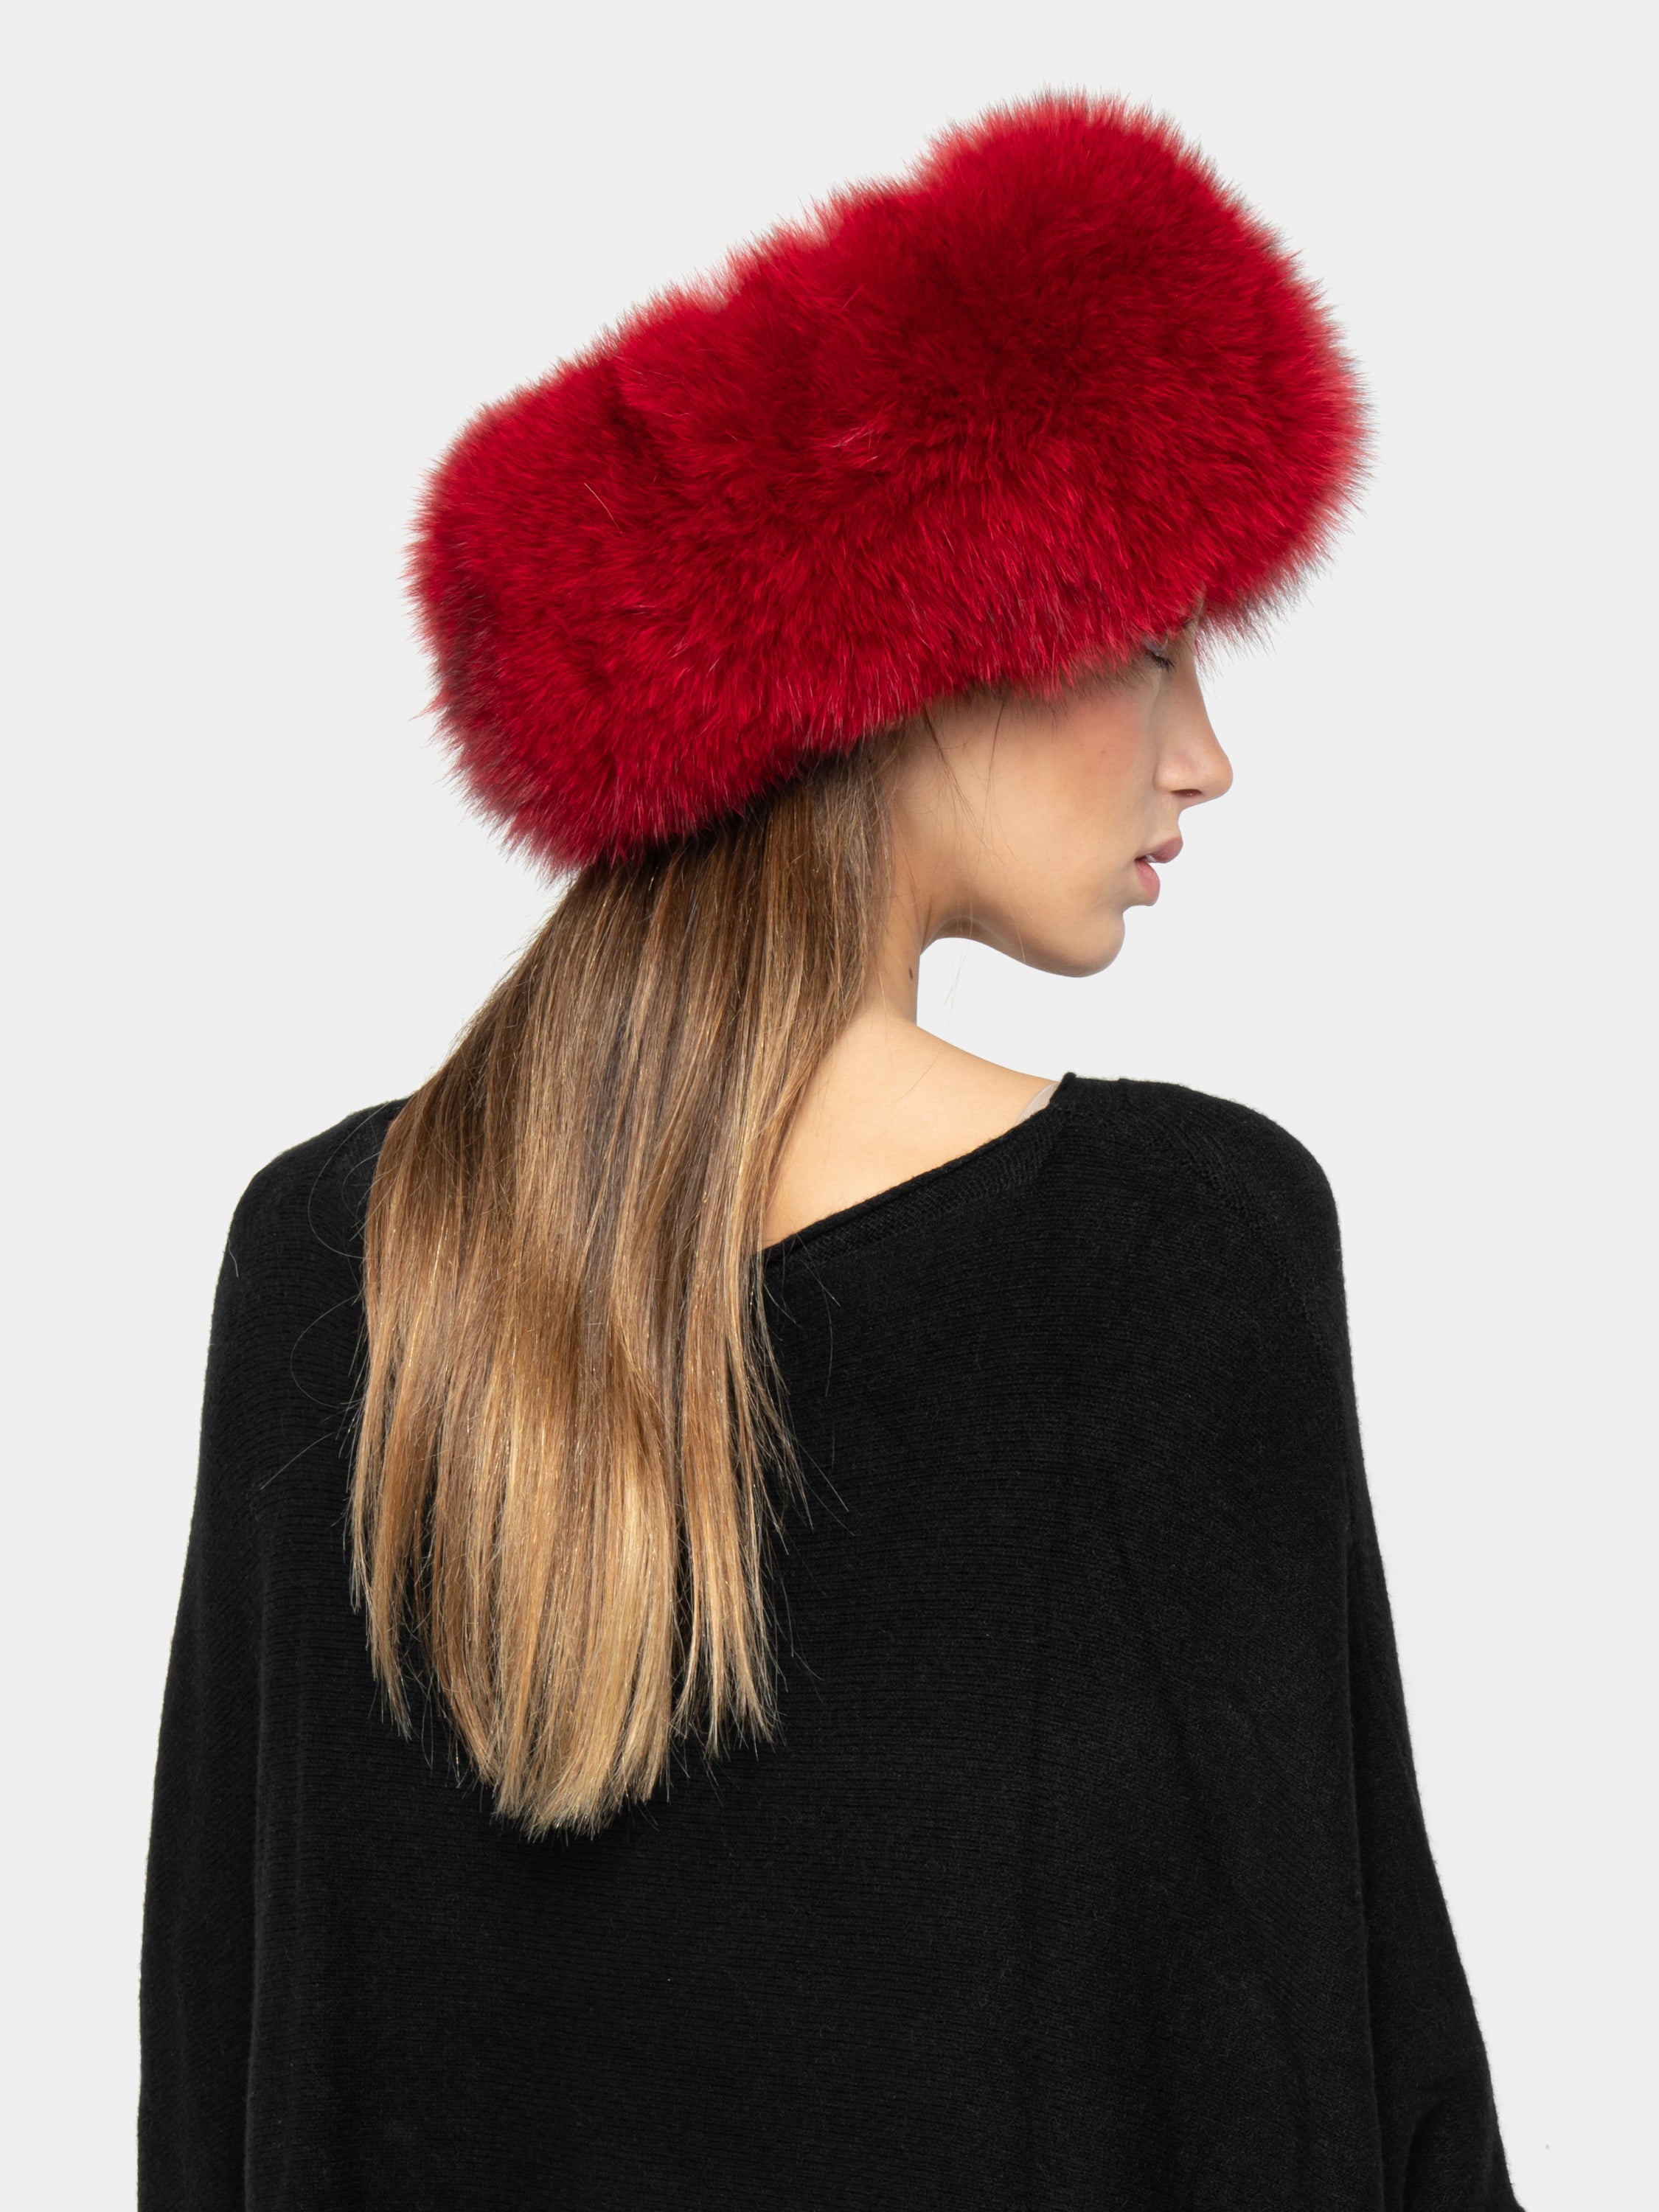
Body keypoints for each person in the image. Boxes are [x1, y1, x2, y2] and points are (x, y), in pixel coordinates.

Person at [139, 94, 1524, 2209]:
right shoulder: (1180, 1249)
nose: (1205, 757)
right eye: (1155, 646)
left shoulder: (333, 1251)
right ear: (929, 662)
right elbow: (1336, 2056)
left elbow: (225, 2078)